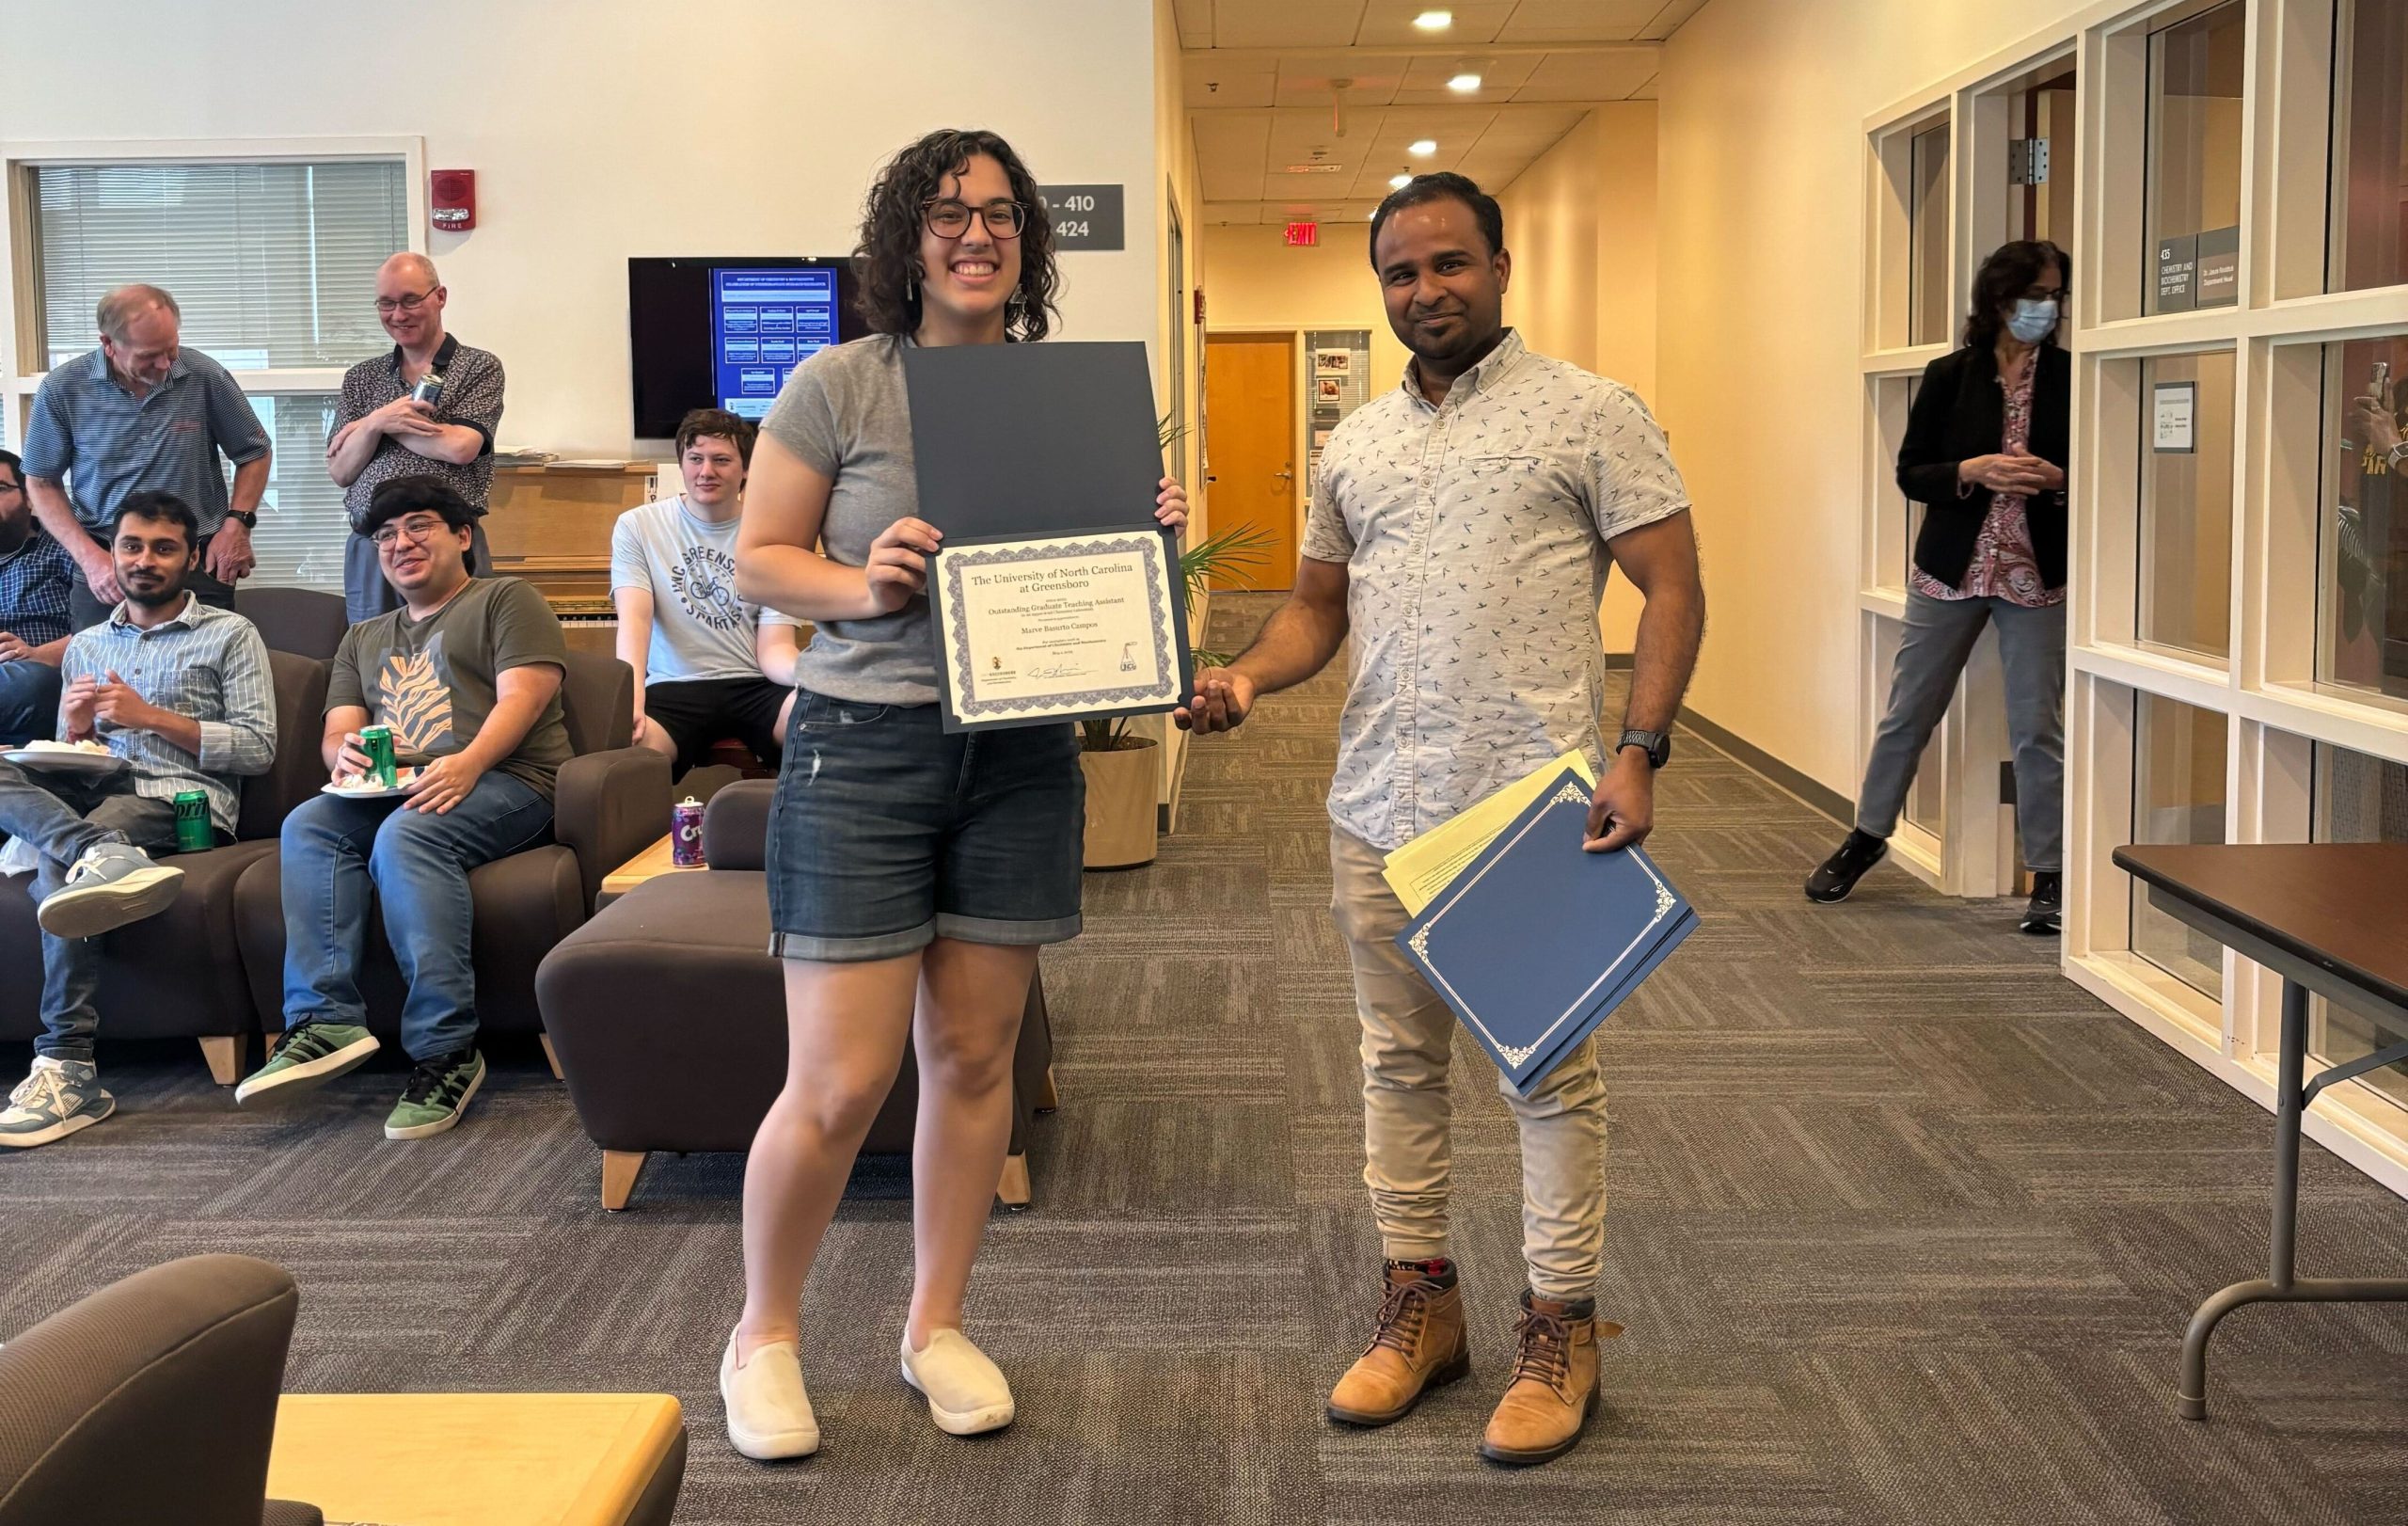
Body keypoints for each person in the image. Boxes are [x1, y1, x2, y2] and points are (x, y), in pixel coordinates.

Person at [1177, 171, 1705, 1468]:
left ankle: (1561, 1325)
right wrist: (1245, 675)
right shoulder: (1354, 443)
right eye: (1402, 273)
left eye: (1450, 263)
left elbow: (1673, 587)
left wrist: (1640, 751)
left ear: (1501, 268)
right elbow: (1318, 608)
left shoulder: (1591, 413)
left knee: (1546, 1076)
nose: (1426, 290)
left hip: (1531, 814)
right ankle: (1423, 1305)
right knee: (1395, 1066)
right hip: (1375, 806)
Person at [720, 127, 1188, 1460]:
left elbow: (1101, 590)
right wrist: (863, 583)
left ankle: (933, 1323)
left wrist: (1144, 538)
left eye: (998, 213)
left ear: (1026, 239)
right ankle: (762, 1333)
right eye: (946, 212)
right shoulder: (840, 383)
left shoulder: (1064, 397)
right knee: (840, 1080)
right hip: (864, 751)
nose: (975, 234)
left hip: (1019, 753)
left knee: (978, 1059)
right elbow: (760, 560)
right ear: (906, 240)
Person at [233, 475, 569, 1140]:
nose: (400, 544)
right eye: (386, 535)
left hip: (511, 779)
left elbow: (523, 699)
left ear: (463, 536)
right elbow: (338, 729)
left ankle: (447, 1050)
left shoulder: (505, 599)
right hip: (399, 787)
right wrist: (345, 755)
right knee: (309, 824)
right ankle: (324, 1020)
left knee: (407, 836)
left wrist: (469, 761)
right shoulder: (364, 636)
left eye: (419, 526)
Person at [1805, 241, 2070, 933]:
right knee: (1909, 711)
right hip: (1951, 570)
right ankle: (1866, 837)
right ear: (2000, 299)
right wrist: (1972, 470)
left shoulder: (2074, 378)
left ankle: (2050, 874)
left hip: (2036, 576)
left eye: (2055, 296)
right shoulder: (1950, 375)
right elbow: (1912, 471)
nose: (2048, 308)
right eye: (2036, 295)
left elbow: (2103, 469)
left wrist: (2058, 480)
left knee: (2036, 727)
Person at [0, 491, 275, 1148]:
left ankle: (67, 1065)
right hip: (93, 798)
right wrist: (73, 731)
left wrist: (150, 717)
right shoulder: (87, 645)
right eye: (131, 546)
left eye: (163, 548)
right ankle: (97, 850)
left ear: (190, 558)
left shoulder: (230, 634)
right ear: (113, 554)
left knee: (67, 864)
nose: (144, 560)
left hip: (179, 801)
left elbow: (258, 748)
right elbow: (78, 758)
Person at [20, 285, 271, 628]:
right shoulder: (63, 388)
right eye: (149, 355)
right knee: (100, 661)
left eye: (171, 348)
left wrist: (238, 525)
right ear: (108, 344)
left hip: (194, 560)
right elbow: (41, 481)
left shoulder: (204, 375)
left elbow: (255, 452)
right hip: (107, 561)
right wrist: (89, 558)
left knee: (207, 658)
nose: (165, 363)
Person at [611, 408, 800, 771]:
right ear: (682, 463)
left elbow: (775, 648)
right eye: (695, 459)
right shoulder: (637, 526)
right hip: (673, 688)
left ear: (747, 468)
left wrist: (815, 677)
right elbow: (635, 622)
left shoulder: (775, 534)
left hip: (755, 684)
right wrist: (630, 699)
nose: (706, 471)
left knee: (819, 721)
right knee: (631, 763)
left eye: (721, 460)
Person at [327, 253, 508, 624]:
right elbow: (342, 469)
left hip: (446, 542)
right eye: (386, 303)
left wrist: (379, 427)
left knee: (459, 647)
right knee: (375, 649)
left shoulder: (478, 367)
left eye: (410, 300)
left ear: (440, 297)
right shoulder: (361, 378)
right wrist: (378, 421)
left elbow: (461, 447)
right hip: (374, 545)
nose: (398, 314)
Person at [0, 448, 76, 745]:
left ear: (30, 496)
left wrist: (39, 654)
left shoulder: (66, 550)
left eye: (0, 488)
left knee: (33, 683)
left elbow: (102, 629)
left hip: (34, 681)